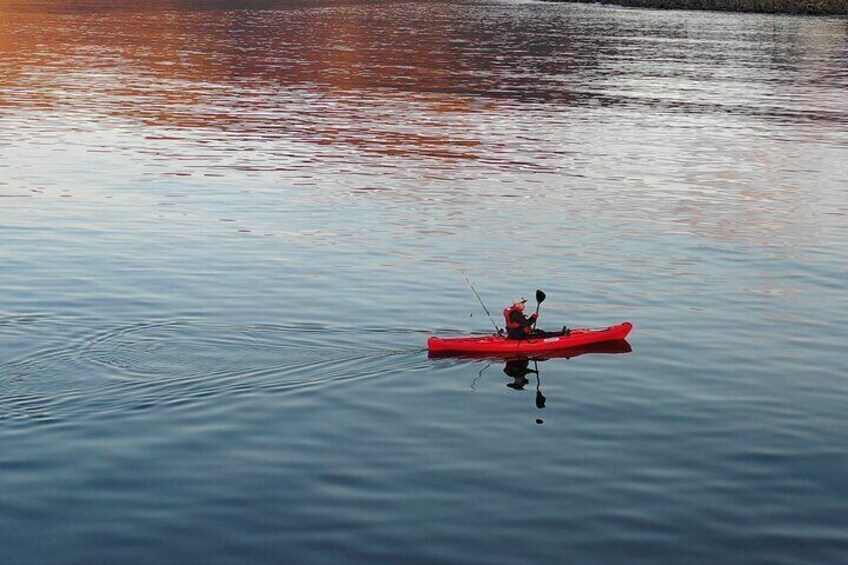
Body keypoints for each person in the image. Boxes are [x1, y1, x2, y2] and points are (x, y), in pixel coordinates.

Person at [503, 297, 569, 340]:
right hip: (517, 336)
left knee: (539, 332)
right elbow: (527, 323)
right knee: (539, 334)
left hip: (518, 333)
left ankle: (559, 334)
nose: (524, 305)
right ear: (517, 305)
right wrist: (534, 317)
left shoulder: (515, 313)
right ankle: (561, 336)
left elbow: (522, 323)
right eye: (522, 303)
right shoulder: (515, 314)